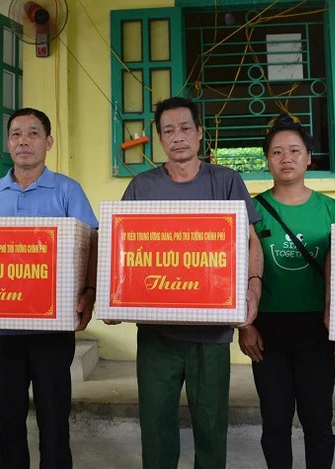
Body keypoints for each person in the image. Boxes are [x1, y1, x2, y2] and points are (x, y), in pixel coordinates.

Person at [118, 96, 264, 468]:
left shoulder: (226, 181)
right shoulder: (141, 188)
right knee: (155, 426)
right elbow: (121, 249)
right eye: (168, 130)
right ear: (160, 139)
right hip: (156, 334)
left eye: (185, 128)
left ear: (200, 133)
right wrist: (110, 296)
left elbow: (250, 241)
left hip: (211, 334)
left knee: (212, 428)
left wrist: (252, 288)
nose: (177, 136)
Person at [0, 107, 98, 468]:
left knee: (54, 416)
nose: (24, 141)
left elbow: (92, 241)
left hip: (52, 328)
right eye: (16, 134)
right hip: (2, 328)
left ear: (49, 141)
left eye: (33, 133)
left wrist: (89, 292)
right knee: (7, 418)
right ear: (8, 144)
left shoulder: (68, 190)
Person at [238, 114, 335, 468]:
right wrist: (244, 325)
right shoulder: (251, 211)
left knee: (318, 421)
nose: (285, 158)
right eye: (276, 152)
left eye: (294, 150)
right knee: (275, 422)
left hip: (318, 329)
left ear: (308, 157)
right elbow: (234, 270)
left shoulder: (332, 210)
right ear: (267, 160)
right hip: (267, 330)